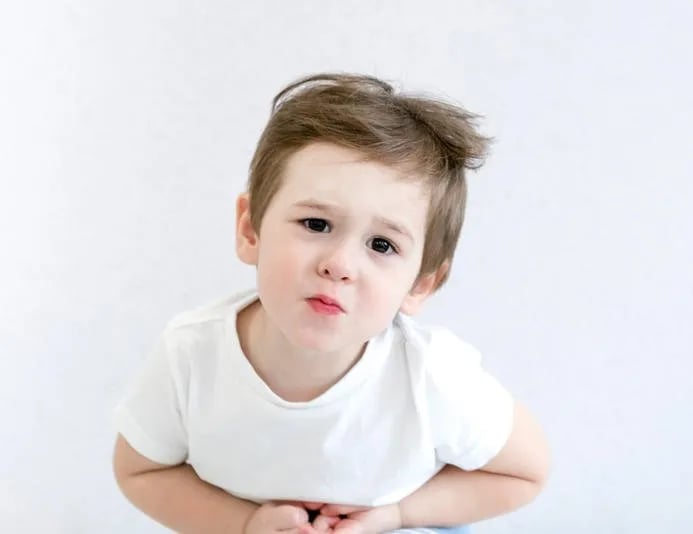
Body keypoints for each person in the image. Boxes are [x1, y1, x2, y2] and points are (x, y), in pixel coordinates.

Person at [112, 73, 551, 534]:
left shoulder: (431, 375)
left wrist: (400, 514)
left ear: (420, 285)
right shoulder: (191, 355)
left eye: (381, 245)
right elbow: (141, 470)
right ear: (250, 230)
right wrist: (244, 524)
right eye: (316, 224)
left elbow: (524, 472)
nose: (340, 265)